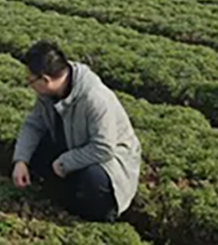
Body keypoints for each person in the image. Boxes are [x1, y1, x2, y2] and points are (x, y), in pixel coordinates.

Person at [11, 40, 142, 222]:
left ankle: (98, 213)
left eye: (30, 81)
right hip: (74, 145)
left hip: (109, 162)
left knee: (92, 180)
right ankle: (62, 193)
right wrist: (21, 160)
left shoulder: (95, 98)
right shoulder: (47, 95)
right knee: (30, 149)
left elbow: (103, 148)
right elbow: (33, 125)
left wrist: (64, 163)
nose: (29, 85)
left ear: (45, 80)